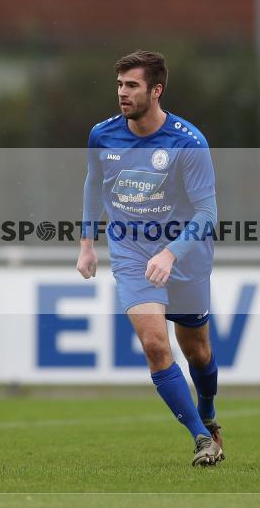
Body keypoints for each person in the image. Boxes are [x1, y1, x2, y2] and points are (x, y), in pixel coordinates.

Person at [76, 50, 223, 466]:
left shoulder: (187, 142)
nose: (123, 93)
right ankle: (201, 438)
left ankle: (208, 408)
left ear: (156, 90)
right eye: (120, 85)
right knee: (156, 345)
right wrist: (87, 244)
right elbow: (93, 184)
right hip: (131, 251)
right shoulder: (102, 135)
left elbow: (208, 214)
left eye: (132, 85)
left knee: (198, 352)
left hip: (185, 253)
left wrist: (172, 253)